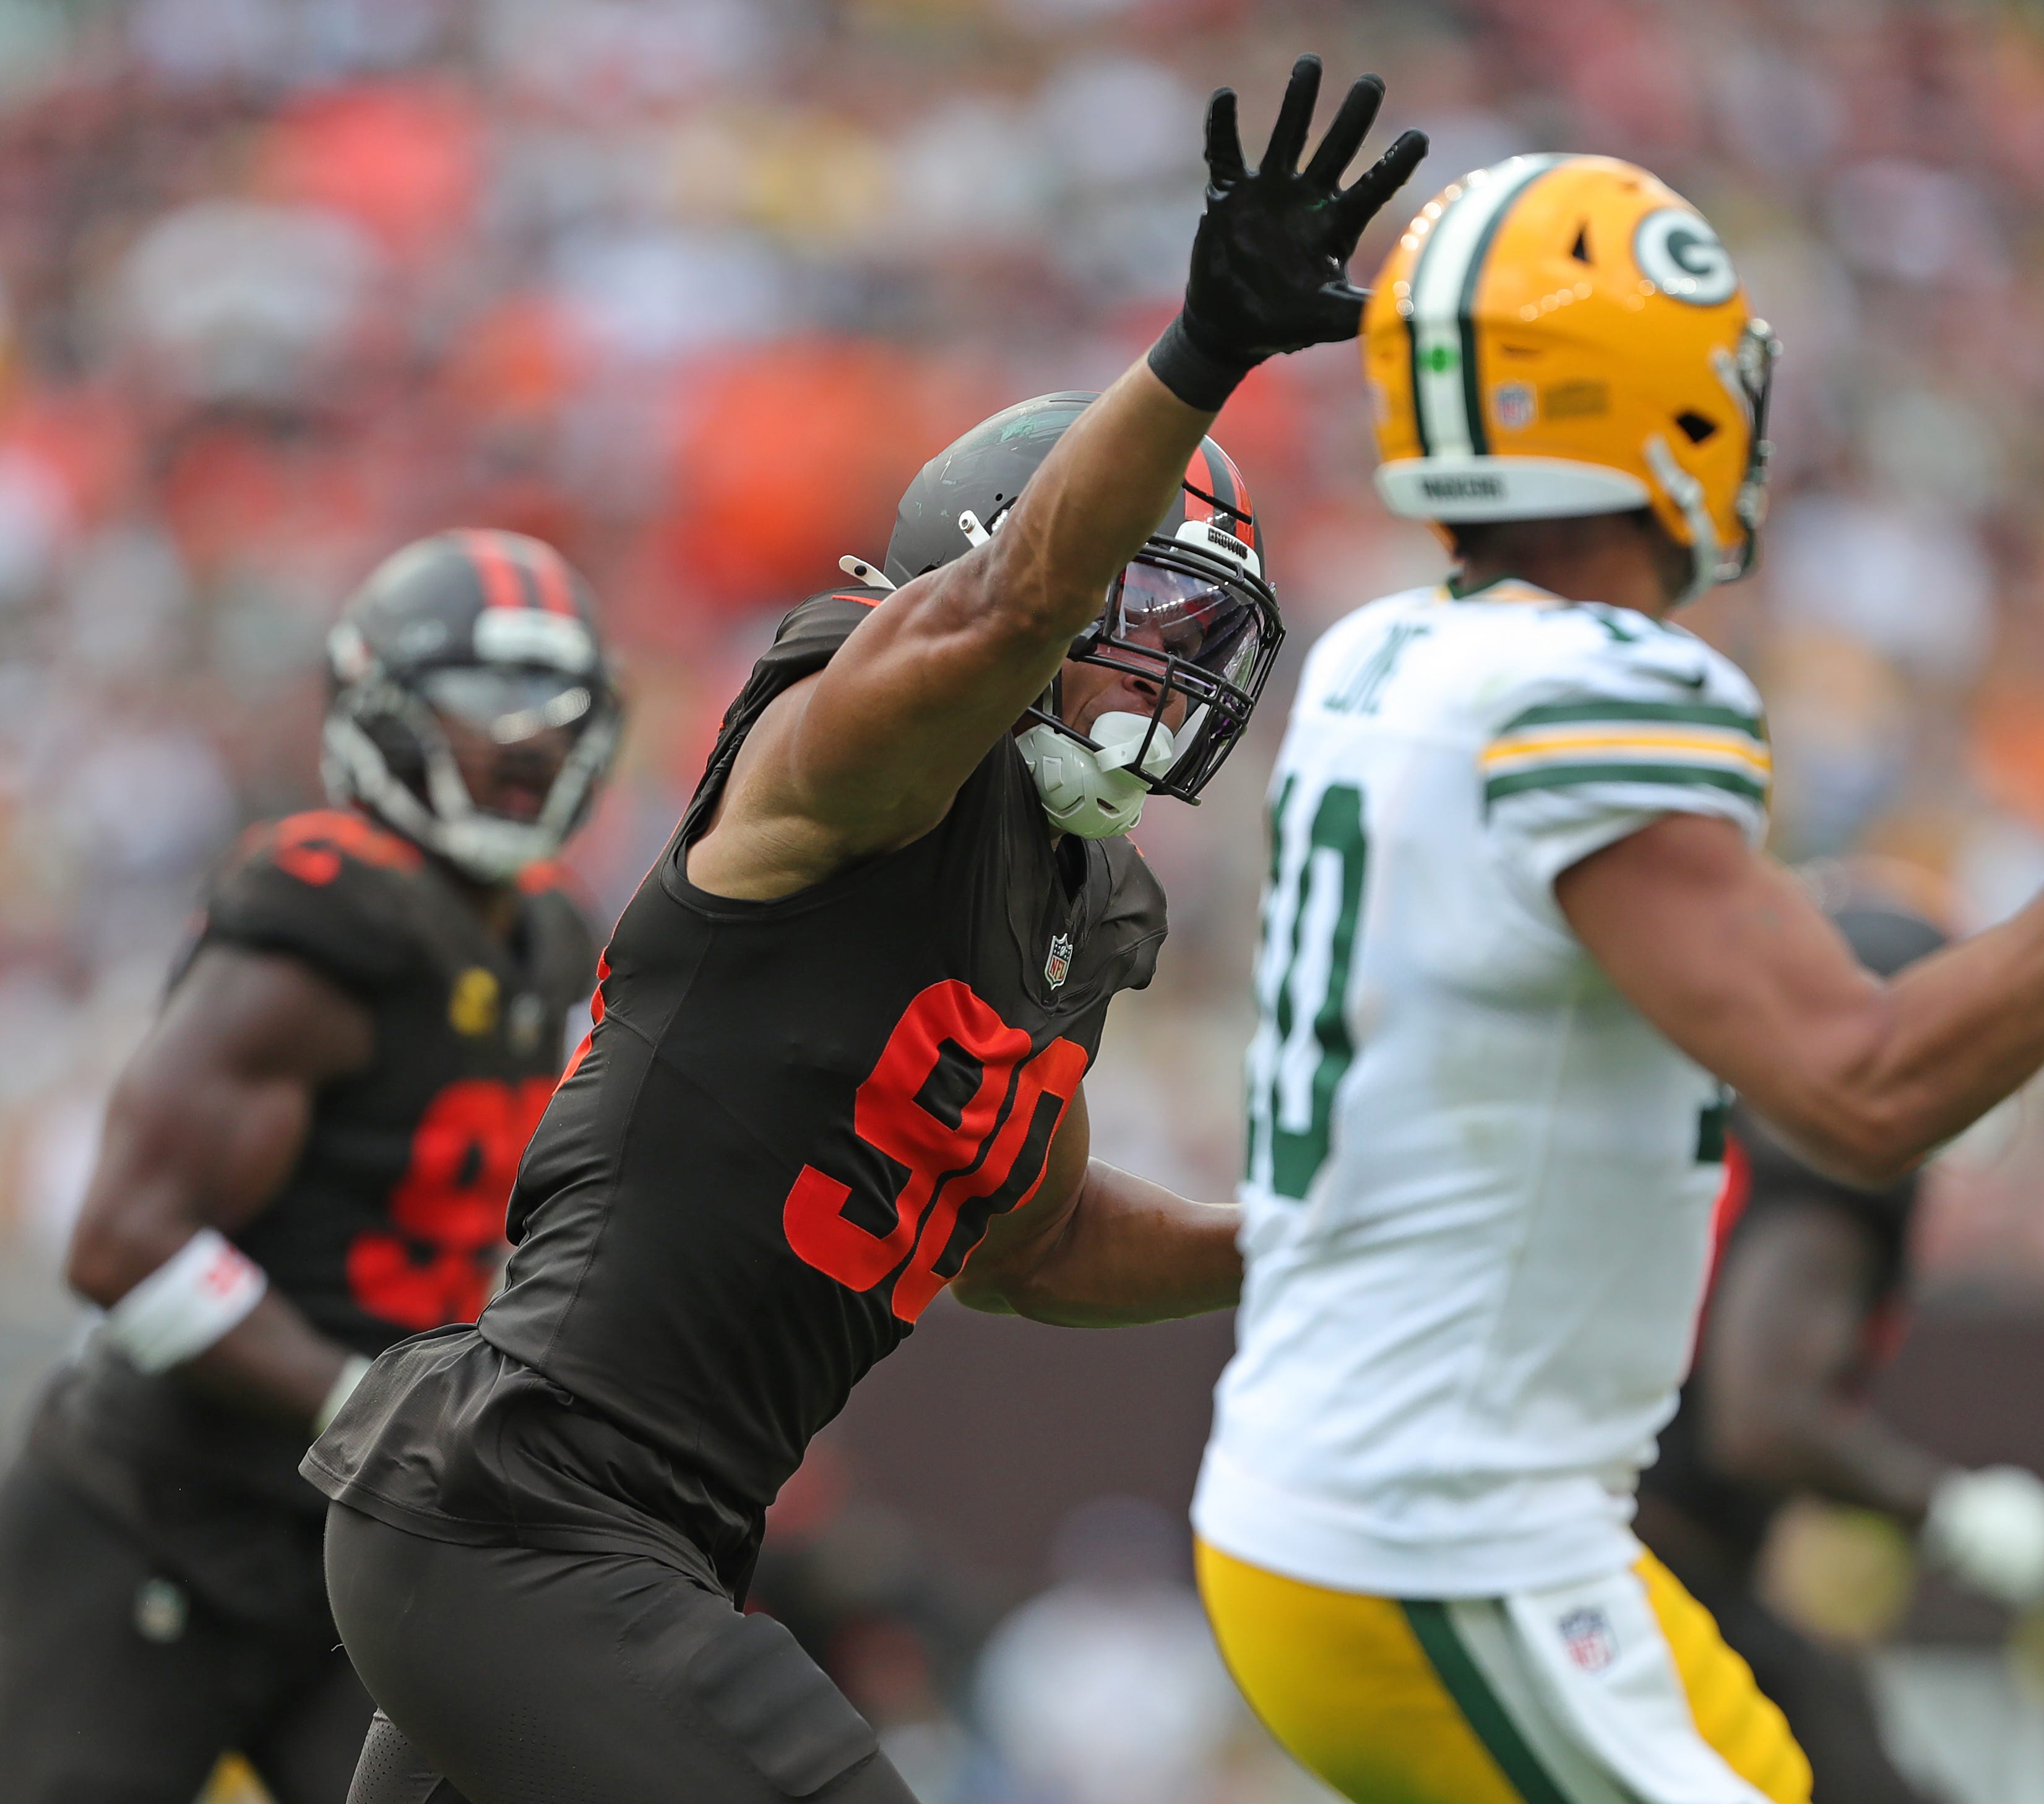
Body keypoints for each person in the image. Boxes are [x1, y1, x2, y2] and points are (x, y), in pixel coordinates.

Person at [1191, 153, 2044, 1804]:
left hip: (1422, 1512)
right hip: (1433, 1545)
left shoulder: (1386, 653)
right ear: (1661, 400)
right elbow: (1865, 1083)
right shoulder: (1593, 686)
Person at [303, 58, 1428, 1804]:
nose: (1160, 667)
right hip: (528, 1515)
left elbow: (1029, 1245)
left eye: (1185, 627)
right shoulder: (855, 748)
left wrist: (1310, 1229)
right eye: (1131, 607)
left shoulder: (1082, 898)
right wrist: (1199, 352)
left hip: (604, 1546)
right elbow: (1009, 608)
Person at [0, 529, 618, 1804]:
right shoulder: (324, 920)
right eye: (483, 704)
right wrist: (364, 1401)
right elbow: (124, 1243)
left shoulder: (549, 936)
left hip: (362, 1535)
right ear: (381, 714)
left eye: (556, 711)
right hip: (162, 1513)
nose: (528, 742)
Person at [1634, 894, 2044, 1804]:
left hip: (1637, 1557)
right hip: (1635, 1572)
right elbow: (1759, 1422)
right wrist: (1944, 1512)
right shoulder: (1827, 1170)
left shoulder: (1735, 1119)